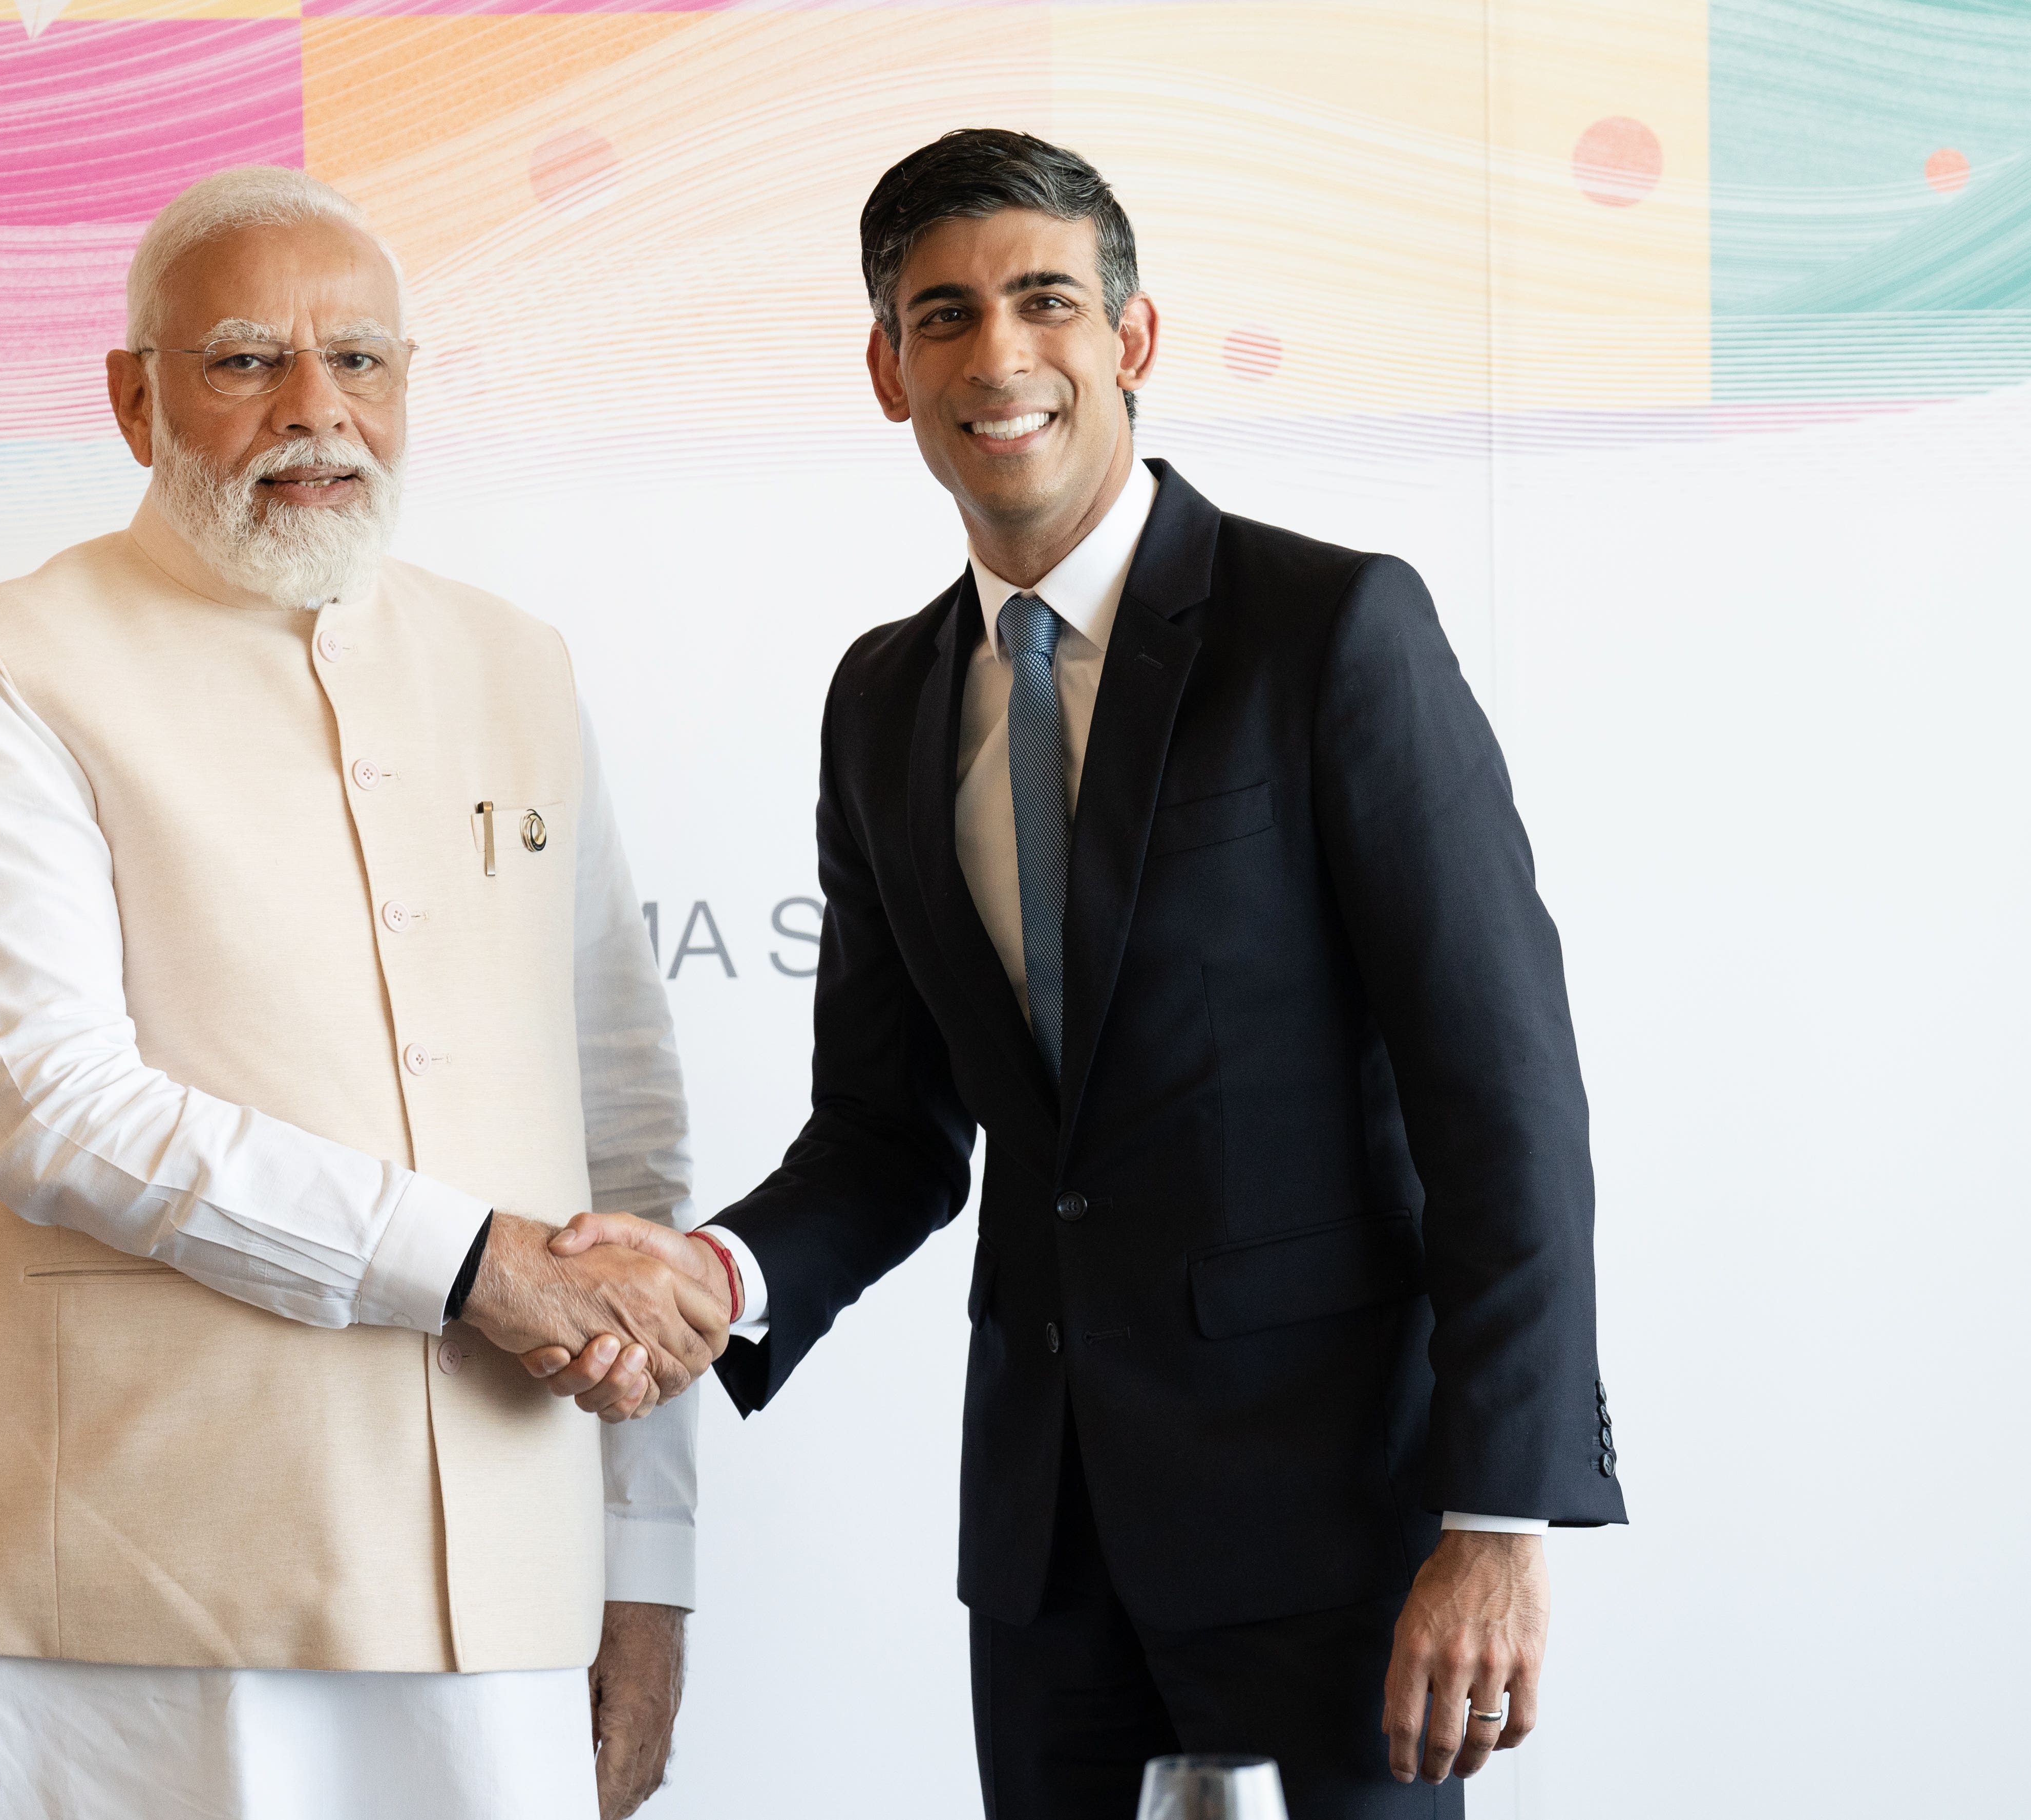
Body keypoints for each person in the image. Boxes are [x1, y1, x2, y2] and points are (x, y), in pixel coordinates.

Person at [532, 129, 1627, 1817]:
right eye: (942, 314)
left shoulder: (1331, 631)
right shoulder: (883, 698)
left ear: (1131, 340)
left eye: (1043, 300)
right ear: (889, 370)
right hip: (1044, 1560)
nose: (997, 355)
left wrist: (1497, 1520)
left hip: (1335, 1539)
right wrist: (716, 1278)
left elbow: (1502, 1095)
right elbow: (890, 1130)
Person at [0, 165, 728, 1820]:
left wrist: (643, 1562)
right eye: (245, 359)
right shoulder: (0, 664)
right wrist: (471, 1262)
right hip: (141, 1587)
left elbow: (627, 1153)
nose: (315, 412)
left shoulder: (516, 662)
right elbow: (48, 1105)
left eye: (363, 364)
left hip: (502, 1591)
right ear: (134, 397)